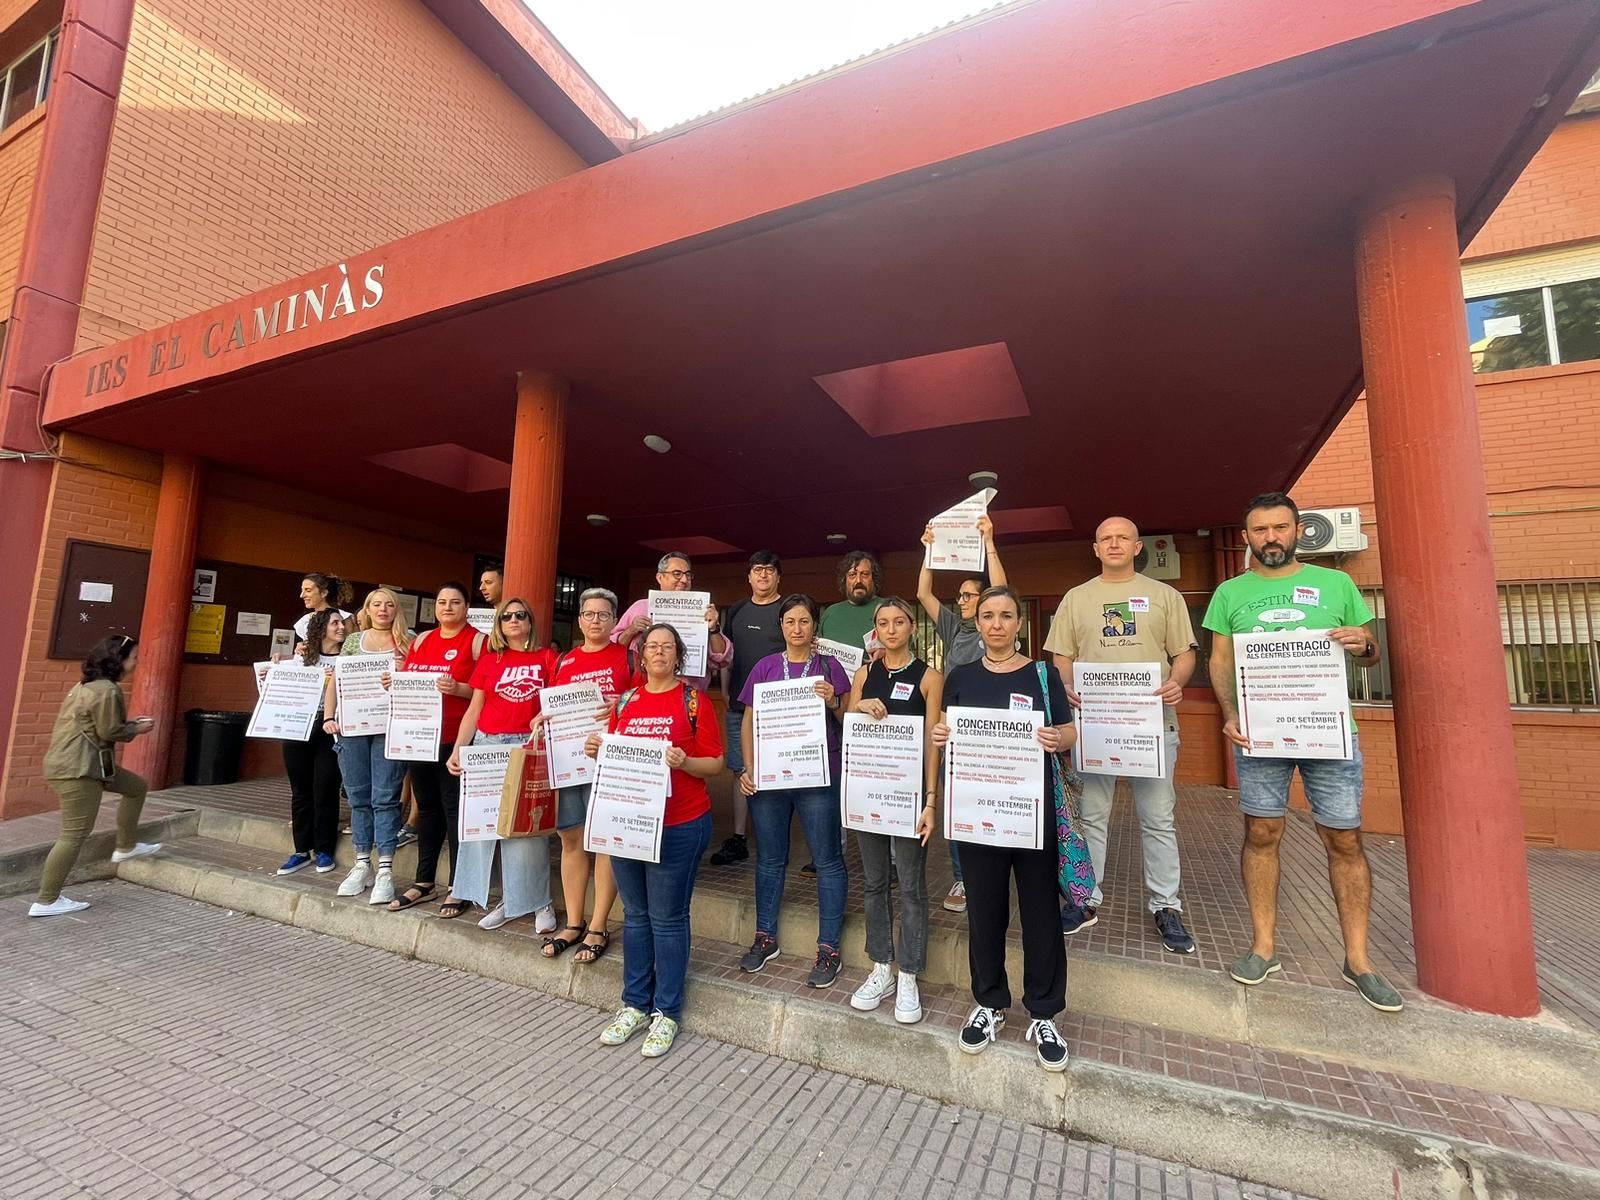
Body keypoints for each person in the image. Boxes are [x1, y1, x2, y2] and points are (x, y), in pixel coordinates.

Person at [1203, 492, 1400, 1012]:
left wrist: (1363, 643)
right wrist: (1228, 714)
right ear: (1247, 536)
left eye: (1280, 528)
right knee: (1262, 832)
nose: (1271, 538)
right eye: (1261, 530)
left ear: (1298, 531)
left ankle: (1359, 960)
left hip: (1328, 732)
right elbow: (1221, 663)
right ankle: (1263, 947)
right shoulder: (1229, 593)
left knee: (1344, 838)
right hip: (1260, 734)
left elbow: (1370, 653)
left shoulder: (1337, 584)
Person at [932, 585, 1074, 1072]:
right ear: (978, 621)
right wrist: (941, 734)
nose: (996, 624)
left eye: (1006, 615)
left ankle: (1044, 1012)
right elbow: (946, 732)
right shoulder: (961, 675)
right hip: (977, 815)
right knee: (985, 914)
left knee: (1040, 915)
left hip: (1031, 816)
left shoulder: (1043, 674)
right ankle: (989, 1003)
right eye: (988, 615)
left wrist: (1060, 736)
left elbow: (1070, 728)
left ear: (1019, 623)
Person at [1047, 516, 1198, 954]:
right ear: (1095, 549)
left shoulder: (1164, 596)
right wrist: (1067, 687)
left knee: (1158, 820)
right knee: (1092, 816)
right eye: (1105, 539)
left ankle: (1166, 906)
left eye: (1123, 538)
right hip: (1095, 727)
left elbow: (1183, 654)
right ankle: (1086, 898)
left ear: (1137, 546)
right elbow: (1062, 657)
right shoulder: (1077, 598)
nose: (1114, 544)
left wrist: (1179, 681)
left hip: (1153, 725)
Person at [589, 623, 724, 1058]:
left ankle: (667, 1011)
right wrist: (598, 748)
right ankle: (634, 1004)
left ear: (678, 656)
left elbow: (716, 764)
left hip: (681, 824)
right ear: (641, 656)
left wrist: (685, 762)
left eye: (668, 647)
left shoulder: (693, 701)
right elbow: (614, 760)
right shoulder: (626, 701)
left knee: (667, 918)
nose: (660, 652)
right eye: (653, 647)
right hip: (629, 823)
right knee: (635, 916)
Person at [735, 593, 852, 988]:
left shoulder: (829, 666)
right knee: (770, 858)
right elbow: (748, 720)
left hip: (819, 776)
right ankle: (765, 936)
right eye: (790, 622)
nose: (797, 628)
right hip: (770, 779)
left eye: (804, 621)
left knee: (828, 859)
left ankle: (829, 947)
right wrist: (748, 768)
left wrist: (833, 697)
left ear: (813, 626)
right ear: (781, 627)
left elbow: (847, 716)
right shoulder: (766, 667)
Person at [844, 598, 942, 1024]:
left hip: (907, 796)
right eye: (883, 623)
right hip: (869, 791)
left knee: (911, 885)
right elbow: (848, 718)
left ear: (912, 628)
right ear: (875, 630)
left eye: (899, 621)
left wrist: (931, 798)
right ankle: (880, 965)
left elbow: (932, 740)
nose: (891, 629)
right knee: (874, 882)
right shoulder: (865, 673)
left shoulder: (929, 677)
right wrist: (860, 704)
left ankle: (909, 972)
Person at [443, 597, 559, 929]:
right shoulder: (491, 661)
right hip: (487, 746)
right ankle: (510, 899)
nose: (513, 620)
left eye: (520, 615)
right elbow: (474, 709)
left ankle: (540, 902)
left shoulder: (546, 657)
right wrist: (458, 749)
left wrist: (543, 716)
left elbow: (555, 703)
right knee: (489, 828)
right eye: (506, 616)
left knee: (528, 829)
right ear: (499, 624)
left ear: (529, 622)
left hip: (526, 747)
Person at [916, 515, 1009, 914]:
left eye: (971, 595)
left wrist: (989, 542)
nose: (963, 600)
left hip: (994, 726)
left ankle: (996, 870)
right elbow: (922, 593)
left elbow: (1003, 589)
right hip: (956, 726)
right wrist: (929, 550)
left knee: (994, 796)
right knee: (956, 802)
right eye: (962, 596)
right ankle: (962, 877)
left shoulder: (995, 625)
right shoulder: (954, 628)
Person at [534, 587, 633, 962]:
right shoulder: (564, 662)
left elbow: (644, 698)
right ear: (579, 621)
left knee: (605, 841)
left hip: (609, 763)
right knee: (570, 838)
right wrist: (543, 718)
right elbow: (553, 707)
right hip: (569, 762)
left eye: (603, 615)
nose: (595, 621)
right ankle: (574, 921)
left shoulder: (628, 657)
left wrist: (619, 702)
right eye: (589, 615)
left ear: (613, 620)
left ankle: (598, 924)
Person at [30, 635, 162, 916]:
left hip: (86, 765)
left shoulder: (87, 685)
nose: (137, 662)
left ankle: (125, 846)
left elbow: (100, 726)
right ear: (119, 660)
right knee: (74, 835)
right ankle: (46, 900)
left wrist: (128, 724)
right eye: (134, 657)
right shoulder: (106, 690)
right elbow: (109, 732)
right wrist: (136, 729)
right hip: (79, 769)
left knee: (136, 787)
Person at [385, 582, 484, 911]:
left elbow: (485, 693)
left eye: (455, 602)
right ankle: (424, 881)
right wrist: (394, 681)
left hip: (455, 739)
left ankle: (460, 884)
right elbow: (410, 685)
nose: (448, 607)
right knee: (426, 810)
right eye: (442, 602)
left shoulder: (477, 642)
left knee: (455, 811)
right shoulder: (423, 640)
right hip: (419, 738)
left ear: (467, 606)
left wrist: (459, 688)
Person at [325, 586, 413, 906]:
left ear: (396, 610)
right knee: (359, 797)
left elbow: (418, 681)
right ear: (367, 609)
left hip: (390, 728)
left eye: (389, 604)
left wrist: (404, 672)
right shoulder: (351, 642)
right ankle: (362, 863)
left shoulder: (408, 641)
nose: (383, 609)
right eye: (377, 604)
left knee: (385, 798)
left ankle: (386, 870)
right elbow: (336, 680)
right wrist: (328, 716)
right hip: (353, 727)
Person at [711, 550, 784, 866]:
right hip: (741, 705)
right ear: (749, 576)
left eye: (769, 570)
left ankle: (775, 834)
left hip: (779, 709)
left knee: (780, 770)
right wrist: (726, 690)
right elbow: (726, 654)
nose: (763, 575)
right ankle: (739, 837)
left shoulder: (787, 609)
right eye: (757, 570)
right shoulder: (738, 609)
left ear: (778, 576)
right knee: (741, 769)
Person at [270, 609, 347, 875]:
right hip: (297, 727)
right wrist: (270, 673)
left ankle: (324, 849)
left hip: (330, 729)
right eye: (335, 623)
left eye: (341, 622)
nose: (341, 627)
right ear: (321, 628)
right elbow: (283, 686)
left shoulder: (347, 659)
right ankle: (301, 850)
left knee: (325, 787)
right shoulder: (303, 657)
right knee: (300, 790)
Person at [613, 551, 731, 693]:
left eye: (688, 575)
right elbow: (612, 649)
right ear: (660, 577)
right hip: (644, 696)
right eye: (677, 573)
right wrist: (631, 630)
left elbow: (722, 659)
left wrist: (714, 629)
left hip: (689, 699)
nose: (684, 580)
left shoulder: (703, 611)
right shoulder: (641, 607)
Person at [820, 549, 882, 654]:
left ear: (874, 578)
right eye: (852, 575)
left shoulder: (888, 608)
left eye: (865, 574)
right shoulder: (830, 613)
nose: (858, 580)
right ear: (844, 580)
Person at [293, 572, 354, 644]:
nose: (302, 595)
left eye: (308, 590)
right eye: (302, 590)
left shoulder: (344, 618)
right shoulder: (305, 620)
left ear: (323, 593)